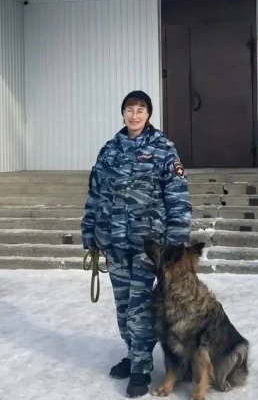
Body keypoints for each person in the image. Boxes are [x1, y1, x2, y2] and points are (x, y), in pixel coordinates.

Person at [81, 90, 192, 398]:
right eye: (130, 109)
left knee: (139, 306)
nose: (135, 115)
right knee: (123, 306)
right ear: (123, 114)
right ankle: (133, 355)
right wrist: (89, 230)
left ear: (148, 114)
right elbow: (95, 194)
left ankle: (141, 369)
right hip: (114, 242)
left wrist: (177, 243)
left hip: (149, 246)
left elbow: (178, 197)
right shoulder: (109, 150)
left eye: (141, 109)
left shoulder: (163, 149)